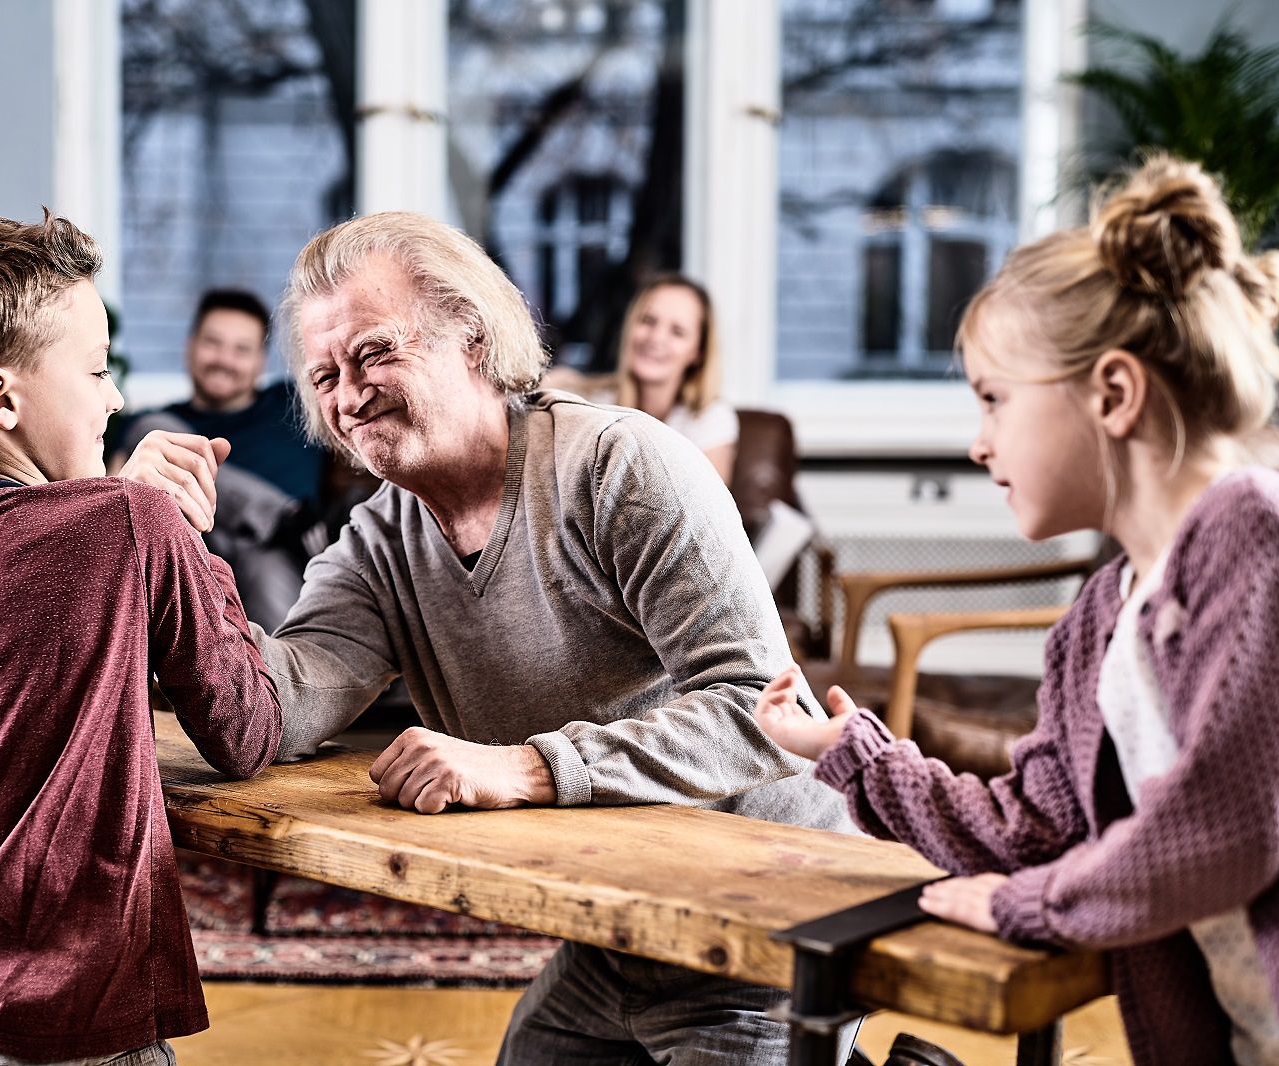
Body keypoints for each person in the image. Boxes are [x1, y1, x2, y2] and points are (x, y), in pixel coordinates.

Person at [251, 212, 855, 1064]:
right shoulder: (380, 540)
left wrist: (526, 767)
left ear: (470, 334)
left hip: (778, 920)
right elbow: (276, 704)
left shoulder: (620, 466)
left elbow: (761, 715)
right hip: (623, 928)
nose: (347, 397)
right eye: (324, 376)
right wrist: (148, 549)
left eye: (375, 352)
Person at [755, 156, 1279, 1065]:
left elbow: (1228, 829)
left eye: (996, 399)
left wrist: (1025, 907)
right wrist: (854, 758)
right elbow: (1033, 829)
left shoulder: (1252, 537)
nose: (978, 440)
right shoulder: (1098, 624)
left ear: (1112, 394)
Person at [0, 212, 283, 1064]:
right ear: (1, 397)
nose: (115, 396)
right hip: (55, 1032)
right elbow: (249, 729)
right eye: (94, 370)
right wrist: (183, 536)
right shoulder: (131, 521)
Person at [113, 289, 330, 630]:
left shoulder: (293, 403)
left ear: (261, 361)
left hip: (281, 560)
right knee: (148, 429)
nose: (224, 359)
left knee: (263, 561)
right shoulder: (164, 422)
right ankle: (282, 516)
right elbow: (113, 496)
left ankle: (276, 681)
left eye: (241, 349)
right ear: (190, 347)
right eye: (212, 343)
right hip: (199, 554)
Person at [546, 275, 738, 482]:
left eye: (677, 332)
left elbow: (707, 511)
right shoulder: (592, 401)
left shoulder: (711, 418)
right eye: (648, 321)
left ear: (698, 352)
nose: (656, 338)